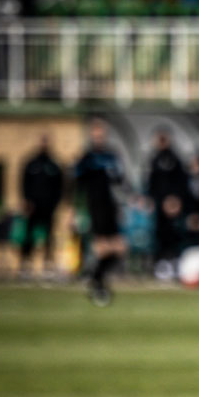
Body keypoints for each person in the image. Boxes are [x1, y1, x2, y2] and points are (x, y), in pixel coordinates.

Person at [73, 118, 126, 306]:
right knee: (102, 247)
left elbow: (121, 181)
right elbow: (76, 184)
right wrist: (75, 210)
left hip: (111, 207)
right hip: (95, 207)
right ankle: (98, 284)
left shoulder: (112, 156)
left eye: (101, 134)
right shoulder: (86, 158)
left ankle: (95, 277)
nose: (99, 137)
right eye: (96, 134)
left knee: (120, 248)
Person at [146, 128, 189, 276]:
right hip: (159, 206)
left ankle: (174, 262)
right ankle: (160, 264)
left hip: (173, 206)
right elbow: (151, 183)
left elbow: (181, 183)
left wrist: (175, 200)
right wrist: (155, 200)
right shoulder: (154, 159)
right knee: (160, 234)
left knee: (174, 234)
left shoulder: (175, 159)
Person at [19, 135, 64, 275]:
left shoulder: (54, 164)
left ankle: (48, 264)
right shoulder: (31, 163)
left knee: (49, 237)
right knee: (29, 236)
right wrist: (26, 201)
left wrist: (55, 204)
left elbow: (60, 187)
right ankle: (26, 264)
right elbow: (24, 183)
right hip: (33, 208)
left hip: (48, 208)